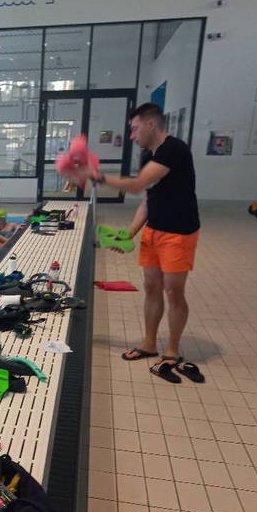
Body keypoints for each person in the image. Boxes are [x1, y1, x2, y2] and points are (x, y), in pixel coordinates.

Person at [86, 102, 203, 383]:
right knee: (151, 287)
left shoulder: (173, 149)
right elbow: (148, 198)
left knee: (174, 292)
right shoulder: (149, 156)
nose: (132, 135)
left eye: (134, 129)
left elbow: (138, 184)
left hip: (178, 233)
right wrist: (130, 232)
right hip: (154, 230)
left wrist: (97, 176)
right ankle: (149, 343)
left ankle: (172, 349)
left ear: (151, 124)